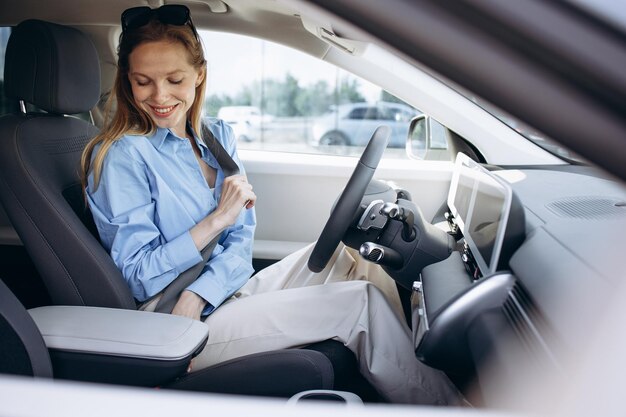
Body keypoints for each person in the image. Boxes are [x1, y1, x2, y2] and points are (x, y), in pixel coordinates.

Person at [81, 5, 461, 405]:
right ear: (128, 82)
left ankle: (412, 377)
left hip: (211, 297)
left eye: (174, 79)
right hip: (168, 320)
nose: (160, 96)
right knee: (358, 304)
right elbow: (138, 276)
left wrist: (202, 293)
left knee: (358, 259)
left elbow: (241, 242)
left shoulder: (216, 139)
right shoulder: (120, 157)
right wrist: (214, 222)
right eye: (143, 82)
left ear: (199, 74)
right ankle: (449, 407)